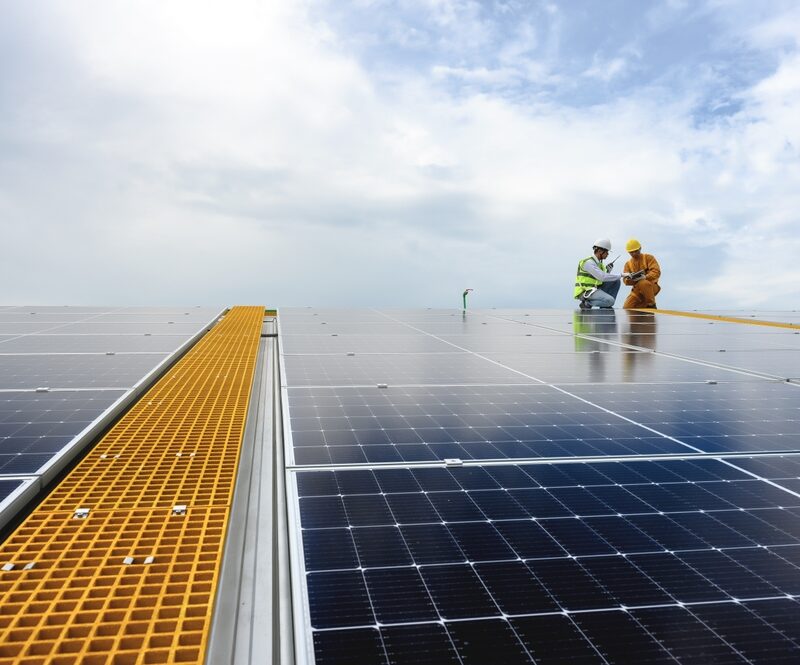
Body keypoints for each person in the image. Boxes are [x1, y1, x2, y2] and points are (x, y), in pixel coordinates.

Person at [573, 238, 626, 309]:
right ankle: (587, 303)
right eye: (606, 252)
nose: (608, 254)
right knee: (610, 301)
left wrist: (608, 271)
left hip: (594, 289)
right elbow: (602, 277)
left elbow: (601, 279)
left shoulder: (599, 264)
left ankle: (605, 304)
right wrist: (622, 275)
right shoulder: (588, 263)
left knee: (616, 281)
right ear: (600, 251)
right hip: (585, 291)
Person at [622, 239, 661, 309]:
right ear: (628, 252)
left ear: (640, 248)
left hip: (651, 287)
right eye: (631, 252)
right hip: (637, 290)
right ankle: (644, 305)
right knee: (627, 307)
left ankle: (651, 305)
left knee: (643, 283)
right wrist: (631, 279)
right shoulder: (628, 264)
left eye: (636, 251)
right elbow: (625, 280)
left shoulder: (648, 258)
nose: (634, 253)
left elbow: (656, 272)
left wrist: (645, 277)